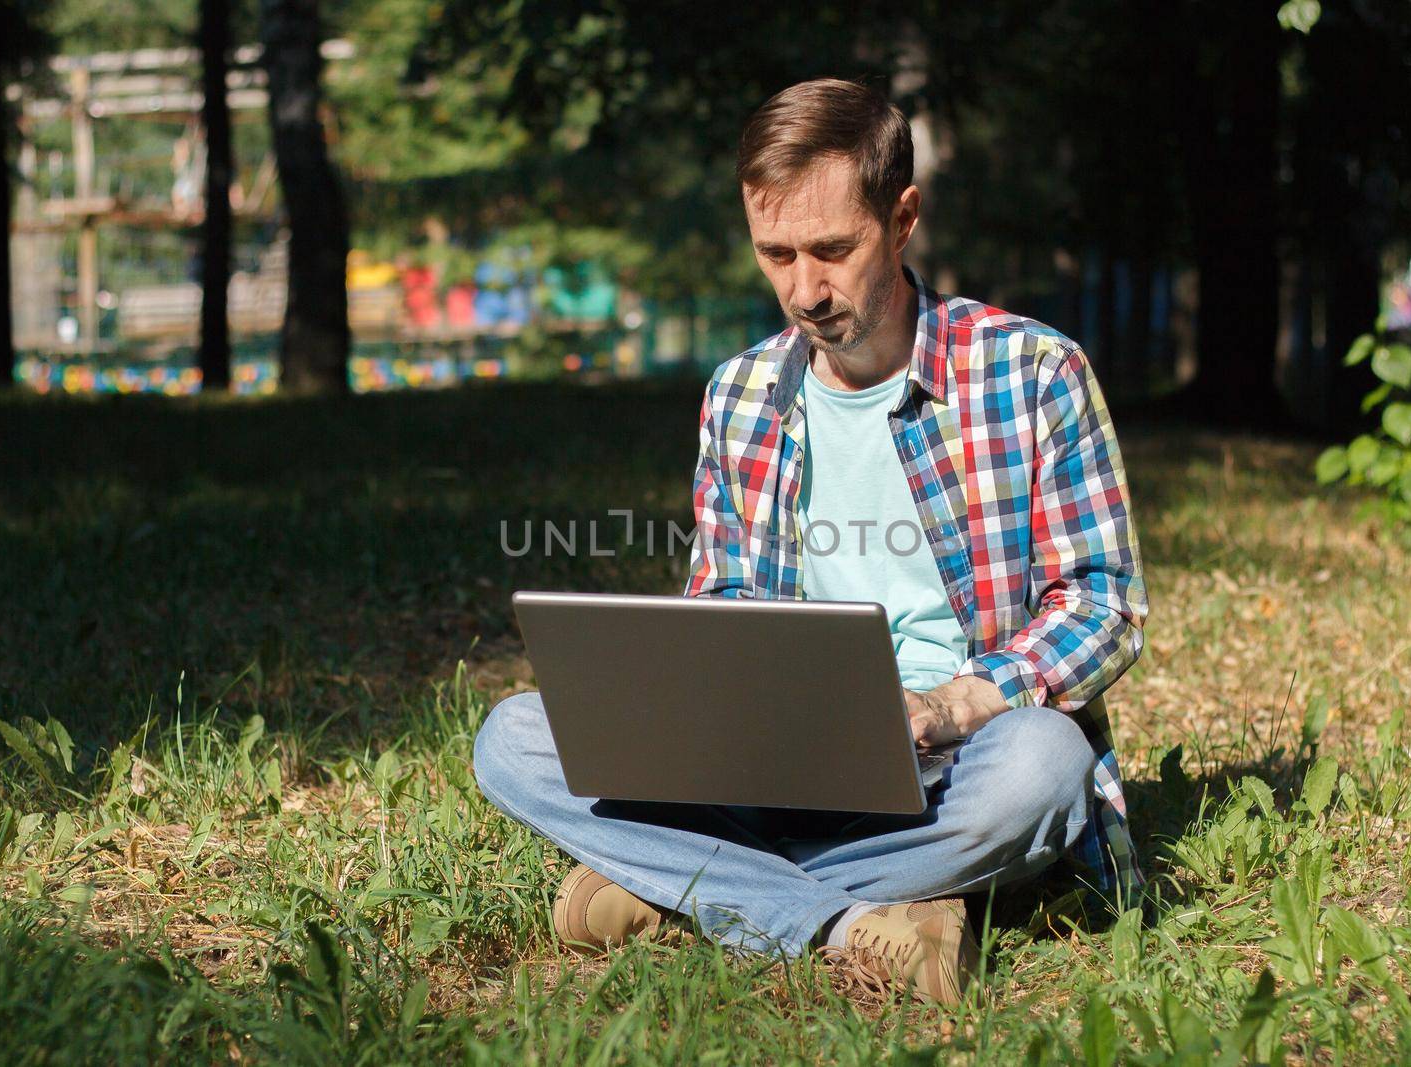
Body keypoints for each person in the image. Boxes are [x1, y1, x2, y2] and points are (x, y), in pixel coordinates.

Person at [473, 78, 1149, 1005]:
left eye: (833, 249)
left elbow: (1104, 605)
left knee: (1048, 765)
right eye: (775, 253)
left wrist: (957, 702)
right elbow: (721, 603)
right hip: (773, 761)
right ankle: (853, 918)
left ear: (902, 218)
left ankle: (690, 886)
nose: (803, 289)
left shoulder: (1032, 371)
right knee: (511, 737)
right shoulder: (740, 394)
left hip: (957, 763)